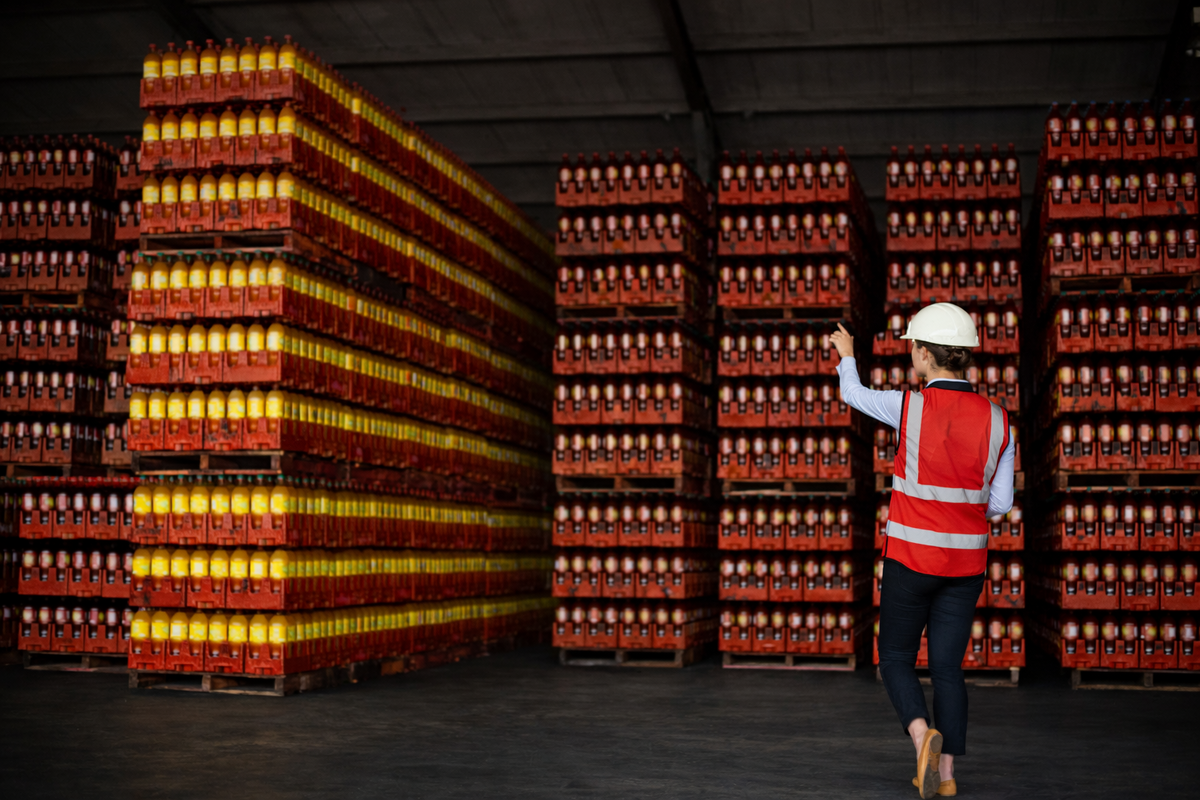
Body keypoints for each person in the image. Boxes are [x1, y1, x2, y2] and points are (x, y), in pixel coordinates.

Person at [829, 304, 1014, 800]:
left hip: (910, 559)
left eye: (913, 346)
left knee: (895, 657)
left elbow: (853, 394)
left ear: (926, 355)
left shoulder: (908, 408)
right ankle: (947, 775)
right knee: (948, 669)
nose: (912, 353)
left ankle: (920, 737)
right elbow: (1000, 503)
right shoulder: (1000, 421)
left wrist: (847, 354)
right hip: (966, 566)